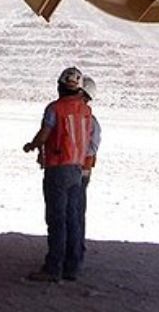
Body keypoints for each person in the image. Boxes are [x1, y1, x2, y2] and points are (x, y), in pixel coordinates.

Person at [22, 66, 93, 283]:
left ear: (60, 86)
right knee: (73, 219)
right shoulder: (86, 111)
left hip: (58, 168)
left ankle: (53, 268)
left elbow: (45, 133)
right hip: (77, 170)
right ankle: (71, 268)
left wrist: (32, 145)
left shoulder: (55, 108)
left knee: (56, 219)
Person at [78, 76, 101, 263]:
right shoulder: (89, 120)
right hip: (80, 170)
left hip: (78, 171)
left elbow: (91, 148)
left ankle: (75, 252)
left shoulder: (89, 121)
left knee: (74, 212)